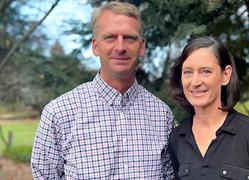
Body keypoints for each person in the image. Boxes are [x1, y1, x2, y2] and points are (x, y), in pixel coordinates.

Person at [31, 2, 174, 179]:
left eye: (129, 38)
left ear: (142, 46)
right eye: (110, 37)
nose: (120, 47)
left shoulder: (162, 115)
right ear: (96, 46)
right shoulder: (59, 114)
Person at [168, 36, 249, 180]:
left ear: (225, 75)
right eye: (188, 72)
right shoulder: (176, 139)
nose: (195, 82)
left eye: (206, 71)